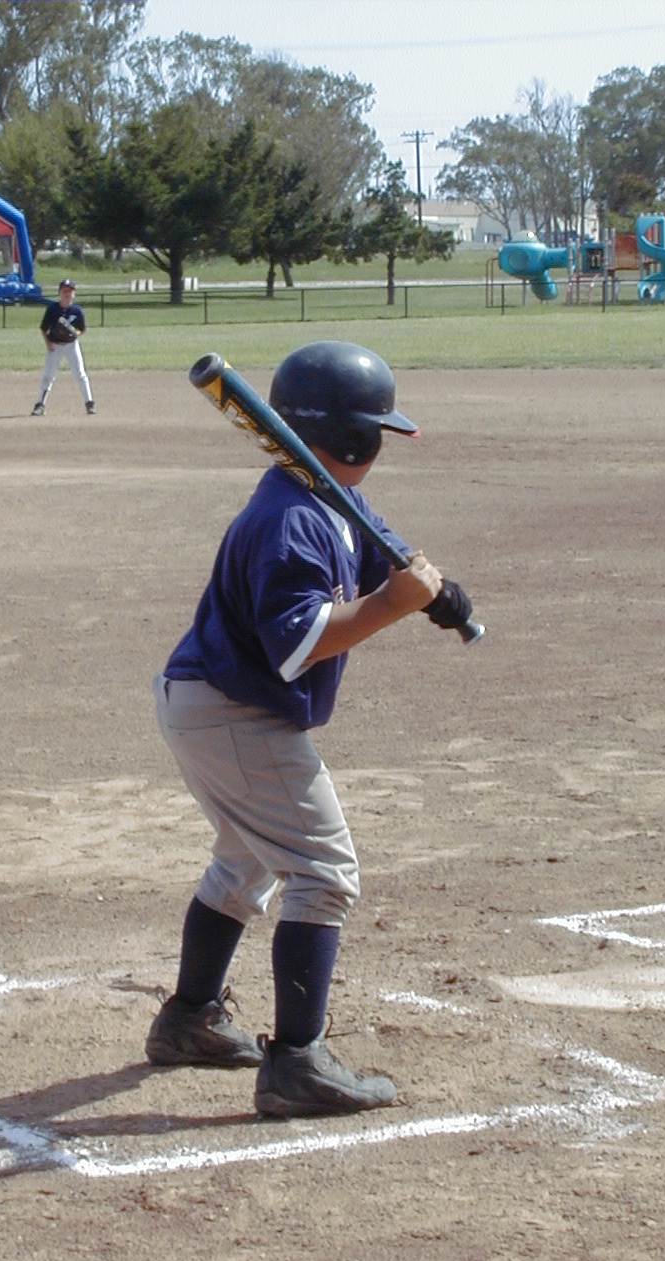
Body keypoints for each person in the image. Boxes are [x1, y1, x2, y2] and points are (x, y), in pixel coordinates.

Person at [146, 340, 474, 1118]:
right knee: (323, 873)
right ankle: (296, 1063)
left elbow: (379, 549)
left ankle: (190, 1020)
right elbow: (297, 646)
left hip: (210, 704)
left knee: (246, 861)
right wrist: (391, 605)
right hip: (235, 713)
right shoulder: (293, 519)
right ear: (355, 437)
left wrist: (434, 593)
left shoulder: (322, 498)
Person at [31, 279, 95, 416]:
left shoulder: (77, 310)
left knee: (80, 374)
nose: (67, 294)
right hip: (54, 345)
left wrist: (74, 333)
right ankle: (40, 405)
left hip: (71, 345)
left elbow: (82, 329)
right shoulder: (52, 309)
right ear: (59, 293)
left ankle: (90, 403)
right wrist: (48, 344)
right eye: (64, 291)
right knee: (48, 376)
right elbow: (43, 328)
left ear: (74, 294)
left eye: (70, 291)